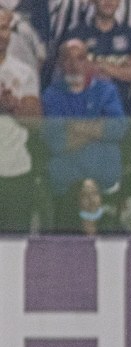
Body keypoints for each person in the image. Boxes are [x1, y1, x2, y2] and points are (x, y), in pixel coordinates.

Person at [41, 38, 128, 228]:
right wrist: (97, 129)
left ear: (88, 62)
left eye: (80, 58)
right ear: (60, 64)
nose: (74, 65)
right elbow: (57, 142)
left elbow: (118, 129)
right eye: (68, 59)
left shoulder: (106, 91)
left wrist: (73, 126)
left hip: (106, 185)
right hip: (65, 190)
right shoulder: (51, 95)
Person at [0, 7, 42, 234]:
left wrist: (12, 105)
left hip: (16, 172)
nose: (0, 34)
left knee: (15, 247)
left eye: (4, 28)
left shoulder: (23, 71)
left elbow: (35, 121)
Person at [64, 0, 131, 111]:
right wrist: (122, 71)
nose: (108, 1)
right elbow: (70, 73)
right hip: (83, 111)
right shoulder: (77, 33)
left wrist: (103, 67)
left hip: (120, 112)